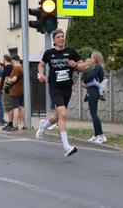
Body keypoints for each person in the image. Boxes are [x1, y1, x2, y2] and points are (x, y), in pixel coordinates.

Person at [36, 29, 87, 157]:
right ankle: (66, 147)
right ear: (54, 40)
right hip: (54, 87)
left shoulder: (71, 52)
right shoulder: (49, 53)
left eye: (62, 36)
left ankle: (43, 126)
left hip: (67, 88)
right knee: (63, 114)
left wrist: (75, 65)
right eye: (58, 37)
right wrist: (42, 75)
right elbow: (41, 65)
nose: (61, 39)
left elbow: (83, 66)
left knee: (57, 116)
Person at [82, 51, 107, 144]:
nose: (91, 59)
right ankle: (96, 135)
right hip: (92, 90)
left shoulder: (97, 67)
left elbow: (90, 76)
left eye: (92, 57)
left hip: (93, 91)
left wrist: (84, 81)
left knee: (94, 114)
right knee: (93, 114)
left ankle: (100, 135)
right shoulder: (97, 68)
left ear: (95, 58)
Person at [5, 55, 24, 132]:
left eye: (12, 62)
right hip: (21, 90)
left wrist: (9, 80)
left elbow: (14, 79)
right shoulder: (22, 67)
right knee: (22, 107)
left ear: (14, 61)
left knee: (15, 108)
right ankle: (25, 125)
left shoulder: (16, 68)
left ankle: (15, 125)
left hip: (15, 91)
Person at [1, 55, 14, 131]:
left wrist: (6, 89)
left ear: (5, 59)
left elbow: (7, 78)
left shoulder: (8, 67)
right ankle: (10, 122)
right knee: (10, 106)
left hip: (7, 88)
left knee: (8, 105)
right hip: (10, 88)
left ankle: (10, 122)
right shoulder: (11, 67)